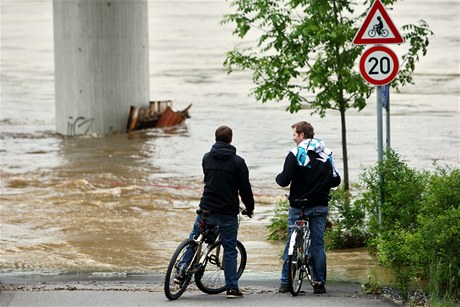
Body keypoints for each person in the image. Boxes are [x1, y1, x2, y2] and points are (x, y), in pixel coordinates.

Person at [177, 125, 255, 299]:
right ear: (231, 140)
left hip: (206, 208)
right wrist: (249, 208)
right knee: (229, 249)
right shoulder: (238, 162)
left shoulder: (207, 158)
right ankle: (232, 289)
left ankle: (181, 268)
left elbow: (210, 180)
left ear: (215, 139)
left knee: (195, 237)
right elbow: (245, 189)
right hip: (227, 212)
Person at [276, 121, 341, 294]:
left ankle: (285, 283)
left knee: (291, 241)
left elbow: (284, 180)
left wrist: (279, 178)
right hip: (320, 204)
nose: (294, 140)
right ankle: (319, 283)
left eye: (295, 136)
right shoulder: (327, 153)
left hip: (299, 205)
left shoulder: (296, 153)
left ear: (302, 135)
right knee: (318, 244)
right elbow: (336, 180)